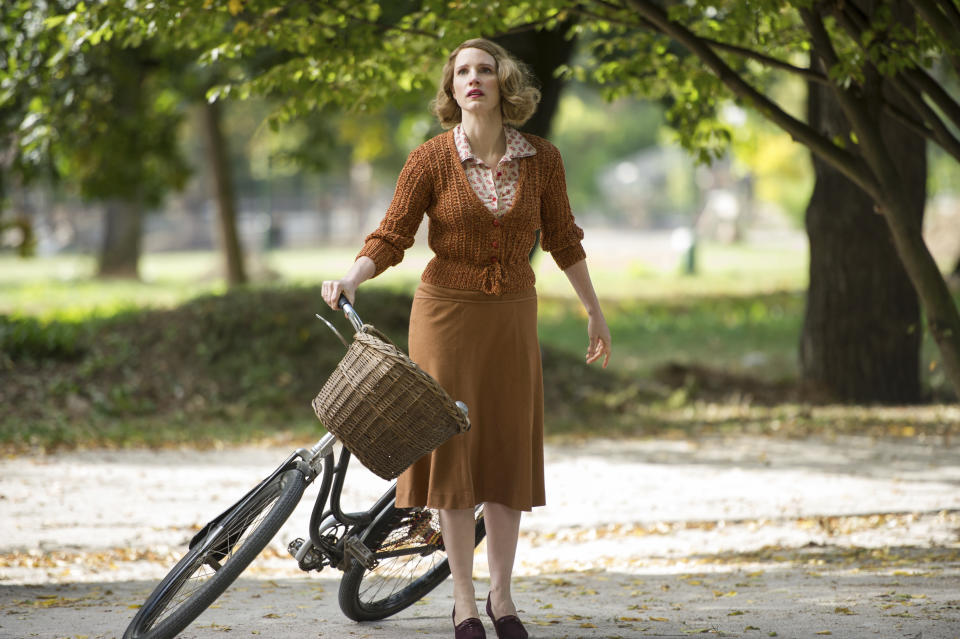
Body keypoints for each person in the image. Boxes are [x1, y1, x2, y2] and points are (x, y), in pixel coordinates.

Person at [322, 37, 612, 639]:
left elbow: (564, 239)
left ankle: (502, 598)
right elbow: (392, 235)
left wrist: (593, 310)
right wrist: (351, 276)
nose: (474, 79)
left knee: (506, 450)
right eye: (463, 73)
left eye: (485, 70)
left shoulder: (543, 159)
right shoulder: (430, 159)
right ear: (451, 90)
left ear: (504, 83)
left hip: (512, 312)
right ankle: (464, 603)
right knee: (452, 454)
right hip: (446, 313)